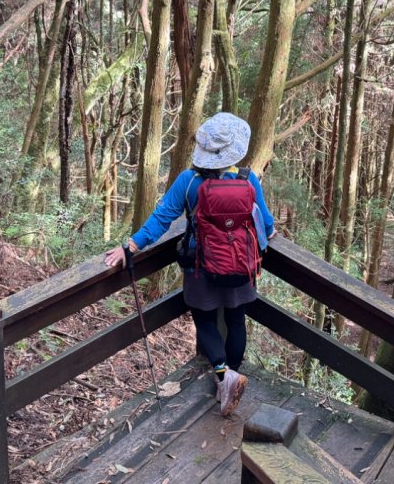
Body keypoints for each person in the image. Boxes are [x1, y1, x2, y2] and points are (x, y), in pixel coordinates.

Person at [105, 112, 274, 416]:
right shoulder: (248, 179)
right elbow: (268, 225)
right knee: (236, 322)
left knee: (206, 322)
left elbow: (162, 218)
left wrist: (130, 246)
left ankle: (224, 376)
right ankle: (231, 375)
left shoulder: (188, 181)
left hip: (201, 267)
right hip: (242, 267)